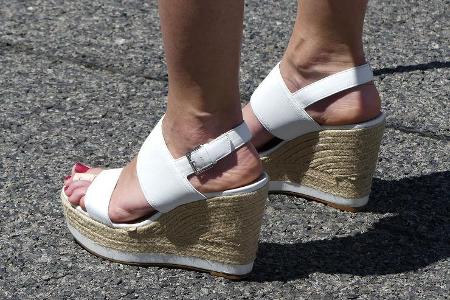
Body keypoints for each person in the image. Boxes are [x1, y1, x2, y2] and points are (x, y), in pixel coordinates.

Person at [61, 0, 383, 278]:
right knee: (326, 57)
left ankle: (200, 135)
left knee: (203, 125)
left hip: (200, 156)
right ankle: (326, 71)